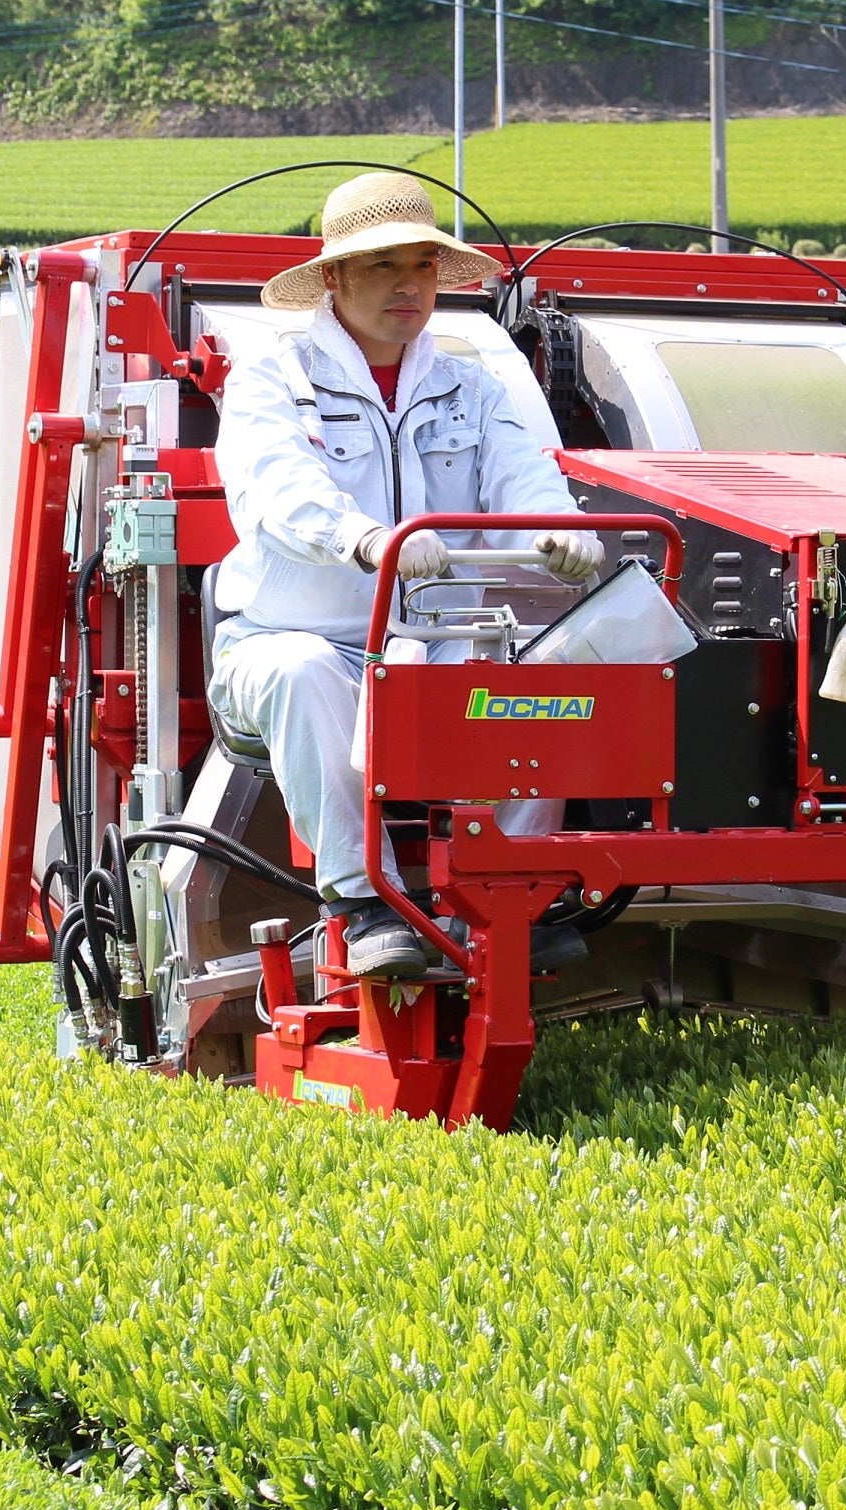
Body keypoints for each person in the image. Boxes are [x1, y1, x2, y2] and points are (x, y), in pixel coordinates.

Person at [208, 172, 604, 980]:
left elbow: (522, 475)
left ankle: (513, 891)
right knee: (304, 672)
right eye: (382, 265)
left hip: (433, 643)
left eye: (421, 266)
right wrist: (363, 539)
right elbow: (276, 491)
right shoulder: (270, 382)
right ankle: (361, 904)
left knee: (540, 664)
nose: (407, 286)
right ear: (333, 278)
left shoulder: (472, 383)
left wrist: (563, 534)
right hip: (296, 638)